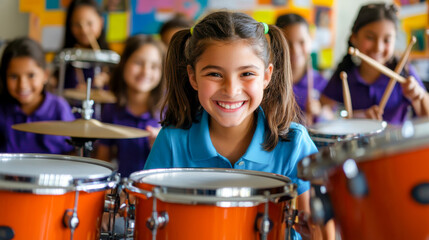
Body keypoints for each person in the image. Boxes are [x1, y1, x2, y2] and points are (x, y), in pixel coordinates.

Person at [144, 11, 321, 239]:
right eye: (215, 74)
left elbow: (319, 229)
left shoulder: (294, 143)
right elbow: (149, 222)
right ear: (193, 77)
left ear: (266, 76)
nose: (231, 90)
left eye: (247, 73)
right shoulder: (171, 141)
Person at [321, 3, 429, 125]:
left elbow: (426, 118)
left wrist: (418, 96)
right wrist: (351, 116)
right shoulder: (343, 74)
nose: (378, 47)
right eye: (370, 37)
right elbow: (323, 112)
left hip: (396, 143)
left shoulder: (405, 73)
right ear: (354, 38)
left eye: (387, 40)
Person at [96, 35, 165, 178]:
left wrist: (163, 146)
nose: (146, 72)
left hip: (160, 190)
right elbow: (103, 159)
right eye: (138, 63)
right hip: (124, 191)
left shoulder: (171, 111)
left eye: (154, 66)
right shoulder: (111, 110)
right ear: (124, 63)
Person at [0, 37, 75, 154]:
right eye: (14, 76)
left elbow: (71, 152)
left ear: (45, 75)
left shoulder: (59, 108)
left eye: (31, 75)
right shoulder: (2, 109)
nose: (22, 85)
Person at [276, 13, 330, 125]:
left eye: (302, 42)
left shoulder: (321, 83)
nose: (295, 50)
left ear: (310, 41)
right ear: (277, 45)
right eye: (287, 43)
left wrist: (320, 112)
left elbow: (333, 119)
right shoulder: (268, 83)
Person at [55, 0, 110, 90]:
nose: (84, 30)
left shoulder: (110, 61)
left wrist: (109, 80)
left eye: (89, 23)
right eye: (77, 24)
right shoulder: (65, 58)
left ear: (101, 22)